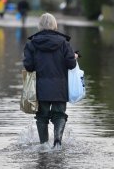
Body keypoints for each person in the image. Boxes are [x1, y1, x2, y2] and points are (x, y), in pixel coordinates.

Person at [23, 13, 78, 149]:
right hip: (60, 88)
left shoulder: (32, 44)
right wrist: (74, 56)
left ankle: (43, 145)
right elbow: (71, 64)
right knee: (59, 114)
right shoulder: (64, 44)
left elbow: (28, 66)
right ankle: (58, 141)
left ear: (39, 26)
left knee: (42, 116)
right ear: (55, 25)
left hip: (40, 88)